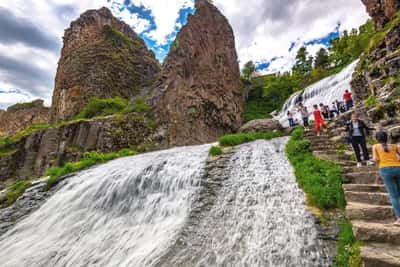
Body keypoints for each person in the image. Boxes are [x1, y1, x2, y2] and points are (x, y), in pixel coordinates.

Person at [372, 131, 400, 226]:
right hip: (398, 168)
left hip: (385, 170)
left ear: (377, 139)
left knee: (394, 196)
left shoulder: (375, 146)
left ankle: (399, 219)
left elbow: (375, 159)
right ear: (387, 138)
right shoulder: (394, 146)